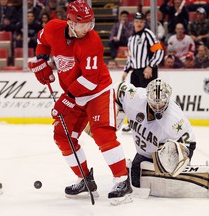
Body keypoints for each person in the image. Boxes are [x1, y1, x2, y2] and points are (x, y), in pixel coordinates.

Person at [28, 0, 132, 206]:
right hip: (73, 92)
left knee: (102, 133)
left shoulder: (92, 42)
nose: (88, 28)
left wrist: (66, 100)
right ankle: (85, 179)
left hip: (96, 92)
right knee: (62, 136)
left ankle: (122, 180)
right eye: (83, 24)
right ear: (70, 22)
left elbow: (90, 80)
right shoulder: (53, 27)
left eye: (90, 23)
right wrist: (41, 60)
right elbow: (42, 39)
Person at [115, 78, 209, 198]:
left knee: (174, 178)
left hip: (166, 149)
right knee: (135, 180)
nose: (157, 107)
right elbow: (117, 89)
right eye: (154, 103)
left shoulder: (175, 120)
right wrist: (115, 115)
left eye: (161, 103)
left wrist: (178, 163)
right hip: (145, 152)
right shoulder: (134, 97)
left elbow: (190, 142)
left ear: (168, 99)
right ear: (147, 97)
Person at [121, 12, 164, 132]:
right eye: (136, 21)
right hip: (135, 72)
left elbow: (159, 51)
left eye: (141, 22)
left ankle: (151, 126)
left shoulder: (148, 34)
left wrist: (150, 66)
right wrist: (126, 71)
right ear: (133, 23)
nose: (139, 24)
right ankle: (134, 124)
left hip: (147, 71)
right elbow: (131, 57)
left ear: (144, 23)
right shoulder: (131, 38)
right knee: (133, 98)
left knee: (148, 99)